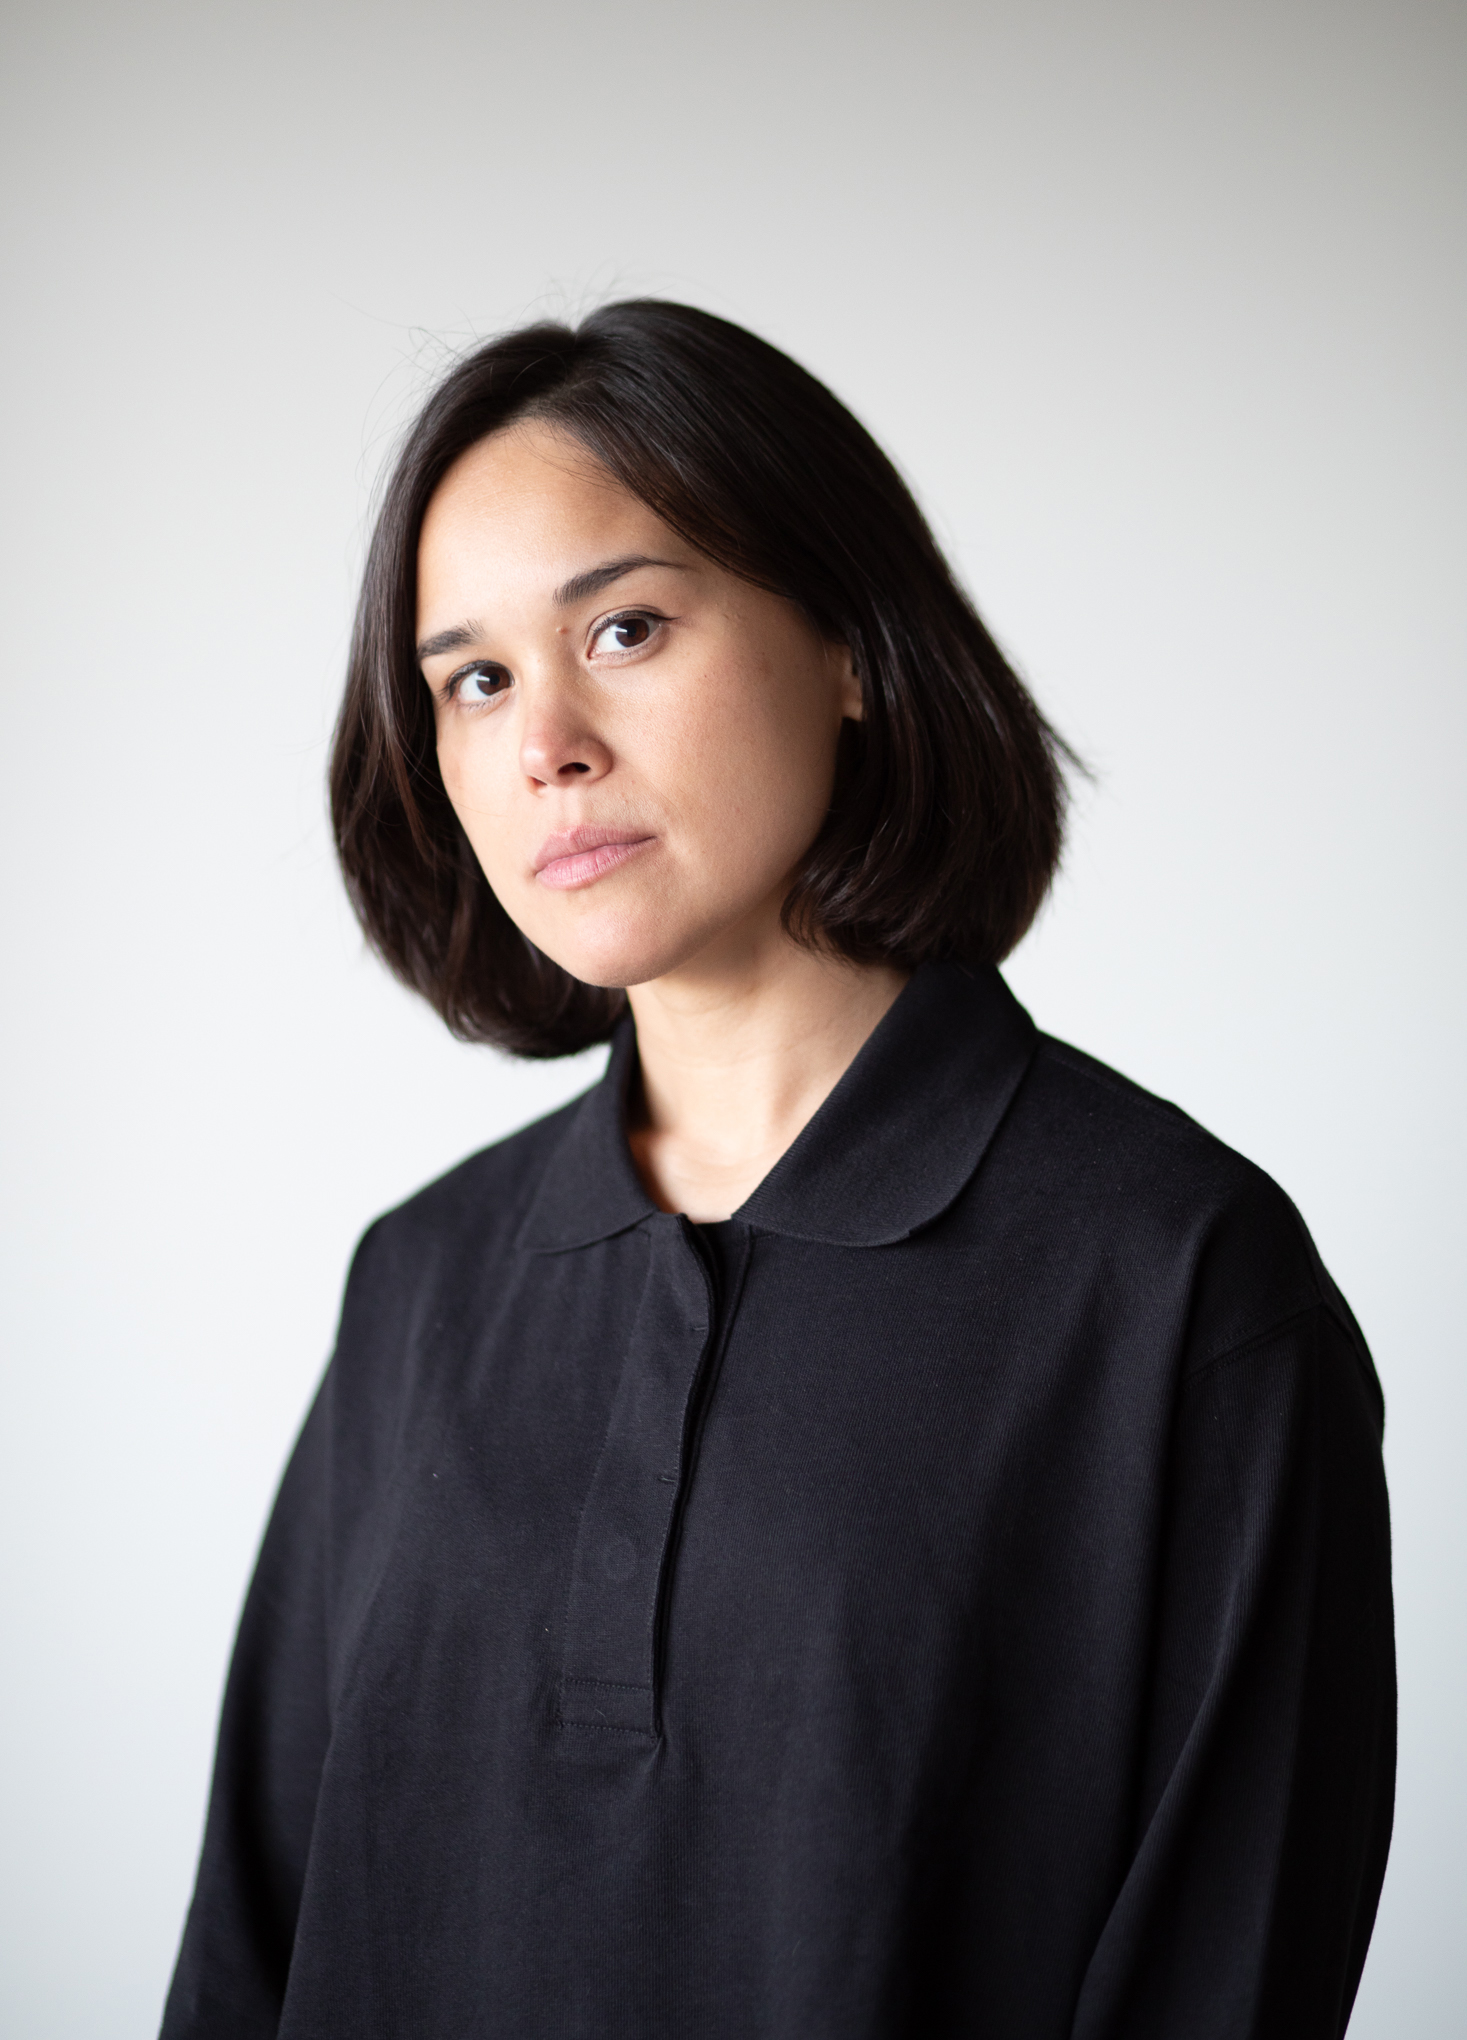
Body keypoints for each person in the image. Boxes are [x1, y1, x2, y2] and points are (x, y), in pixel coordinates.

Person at [161, 301, 1394, 2040]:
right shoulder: (423, 1281)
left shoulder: (1181, 1283)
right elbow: (251, 1942)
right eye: (476, 680)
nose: (544, 745)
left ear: (853, 648)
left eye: (631, 627)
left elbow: (1225, 1972)